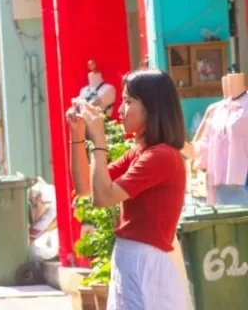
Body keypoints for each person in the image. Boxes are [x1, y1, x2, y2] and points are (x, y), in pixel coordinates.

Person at [67, 69, 189, 309]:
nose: (120, 111)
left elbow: (103, 198)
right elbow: (84, 188)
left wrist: (99, 140)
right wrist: (78, 136)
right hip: (132, 259)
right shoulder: (141, 153)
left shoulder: (161, 156)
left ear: (152, 108)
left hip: (146, 263)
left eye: (128, 101)